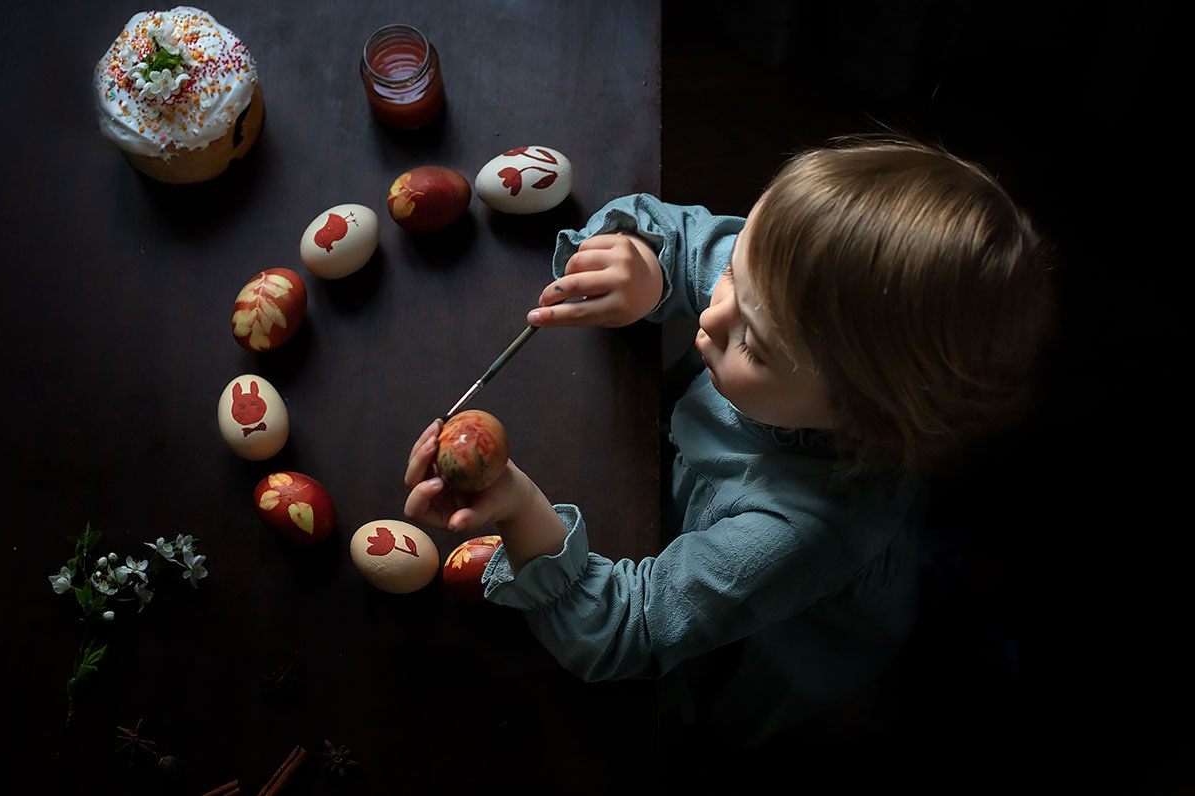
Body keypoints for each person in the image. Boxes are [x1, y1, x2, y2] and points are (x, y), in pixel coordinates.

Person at [404, 136, 1054, 748]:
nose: (711, 317)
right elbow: (686, 241)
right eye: (734, 273)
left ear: (864, 419)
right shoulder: (787, 282)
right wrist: (646, 268)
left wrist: (519, 507)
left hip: (782, 639)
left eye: (756, 345)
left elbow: (627, 632)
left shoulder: (800, 529)